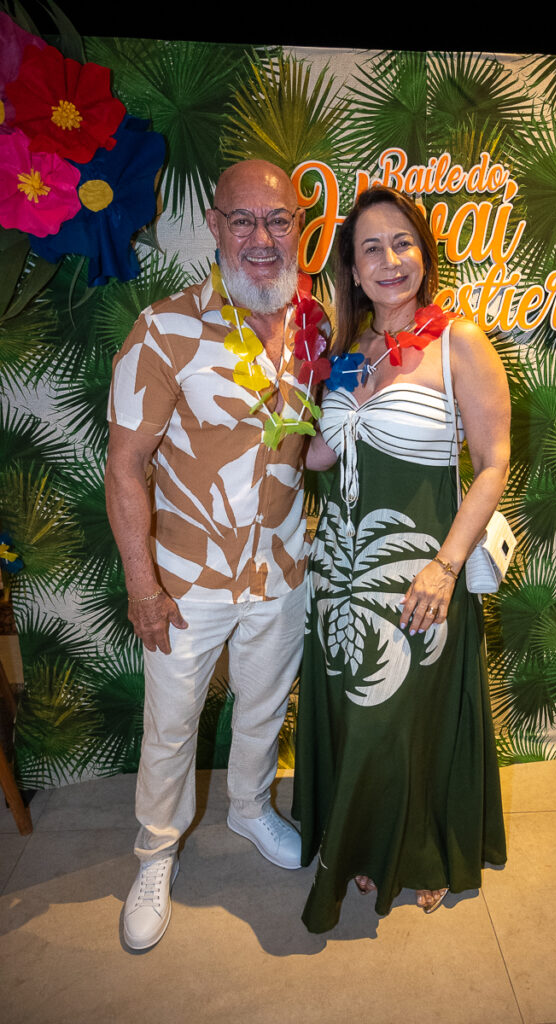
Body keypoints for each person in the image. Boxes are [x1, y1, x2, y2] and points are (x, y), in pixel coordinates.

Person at [106, 159, 316, 951]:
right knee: (171, 724)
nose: (261, 238)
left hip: (282, 568)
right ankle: (155, 852)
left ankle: (250, 808)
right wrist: (142, 586)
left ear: (298, 227)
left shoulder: (315, 324)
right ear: (214, 226)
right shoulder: (164, 329)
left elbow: (312, 442)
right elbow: (124, 466)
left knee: (263, 705)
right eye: (242, 220)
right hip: (186, 578)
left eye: (277, 220)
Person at [292, 185, 510, 932]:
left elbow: (493, 463)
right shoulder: (348, 355)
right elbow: (320, 456)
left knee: (403, 720)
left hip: (418, 572)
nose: (390, 260)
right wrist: (278, 397)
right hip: (340, 569)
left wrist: (445, 567)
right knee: (356, 715)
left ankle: (419, 851)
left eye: (402, 243)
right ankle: (363, 841)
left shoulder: (459, 343)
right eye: (371, 249)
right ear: (352, 270)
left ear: (423, 254)